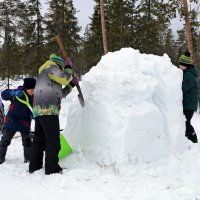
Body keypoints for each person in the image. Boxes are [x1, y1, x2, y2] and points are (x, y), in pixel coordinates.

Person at [29, 54, 78, 175]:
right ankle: (52, 168)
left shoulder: (44, 75)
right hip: (48, 109)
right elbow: (65, 77)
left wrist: (71, 85)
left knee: (39, 139)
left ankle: (34, 166)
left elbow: (59, 94)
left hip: (39, 109)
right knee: (53, 140)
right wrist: (68, 68)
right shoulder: (51, 67)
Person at [0, 78, 36, 164]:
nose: (33, 92)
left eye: (34, 90)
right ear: (26, 88)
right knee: (5, 140)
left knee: (27, 142)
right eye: (31, 90)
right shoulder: (17, 92)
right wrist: (13, 93)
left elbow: (34, 111)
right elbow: (3, 95)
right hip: (12, 121)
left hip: (25, 123)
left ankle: (28, 159)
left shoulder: (34, 98)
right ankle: (0, 157)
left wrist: (36, 115)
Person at [178, 51, 198, 143]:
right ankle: (189, 138)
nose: (179, 66)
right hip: (188, 104)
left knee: (186, 122)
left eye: (180, 64)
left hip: (188, 105)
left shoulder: (189, 75)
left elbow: (182, 88)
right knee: (186, 122)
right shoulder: (186, 73)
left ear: (185, 65)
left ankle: (193, 139)